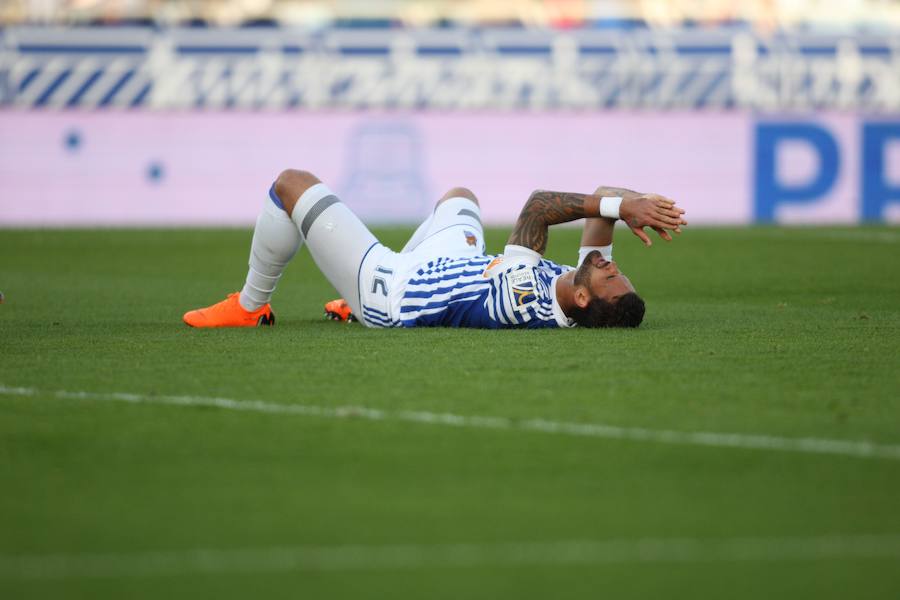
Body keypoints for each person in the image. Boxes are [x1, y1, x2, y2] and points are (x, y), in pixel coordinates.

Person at [182, 169, 687, 329]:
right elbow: (600, 209)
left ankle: (250, 306)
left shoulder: (525, 298)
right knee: (461, 198)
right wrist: (635, 204)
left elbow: (537, 208)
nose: (610, 263)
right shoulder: (573, 293)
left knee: (291, 185)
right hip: (447, 266)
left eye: (610, 276)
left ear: (583, 299)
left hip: (395, 292)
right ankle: (344, 306)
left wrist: (623, 206)